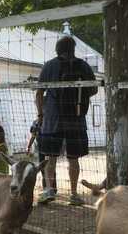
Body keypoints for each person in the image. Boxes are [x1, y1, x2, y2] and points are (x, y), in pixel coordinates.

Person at [35, 35, 98, 205]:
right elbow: (93, 90)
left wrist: (41, 114)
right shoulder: (83, 66)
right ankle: (74, 194)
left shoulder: (49, 66)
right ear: (73, 49)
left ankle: (49, 190)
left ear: (57, 49)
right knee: (73, 158)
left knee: (50, 157)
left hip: (52, 119)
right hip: (76, 119)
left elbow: (39, 93)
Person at [26, 119, 50, 194]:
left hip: (49, 148)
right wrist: (29, 146)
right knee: (42, 168)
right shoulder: (35, 122)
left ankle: (52, 188)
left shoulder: (49, 120)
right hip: (40, 149)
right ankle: (46, 188)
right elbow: (33, 135)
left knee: (50, 167)